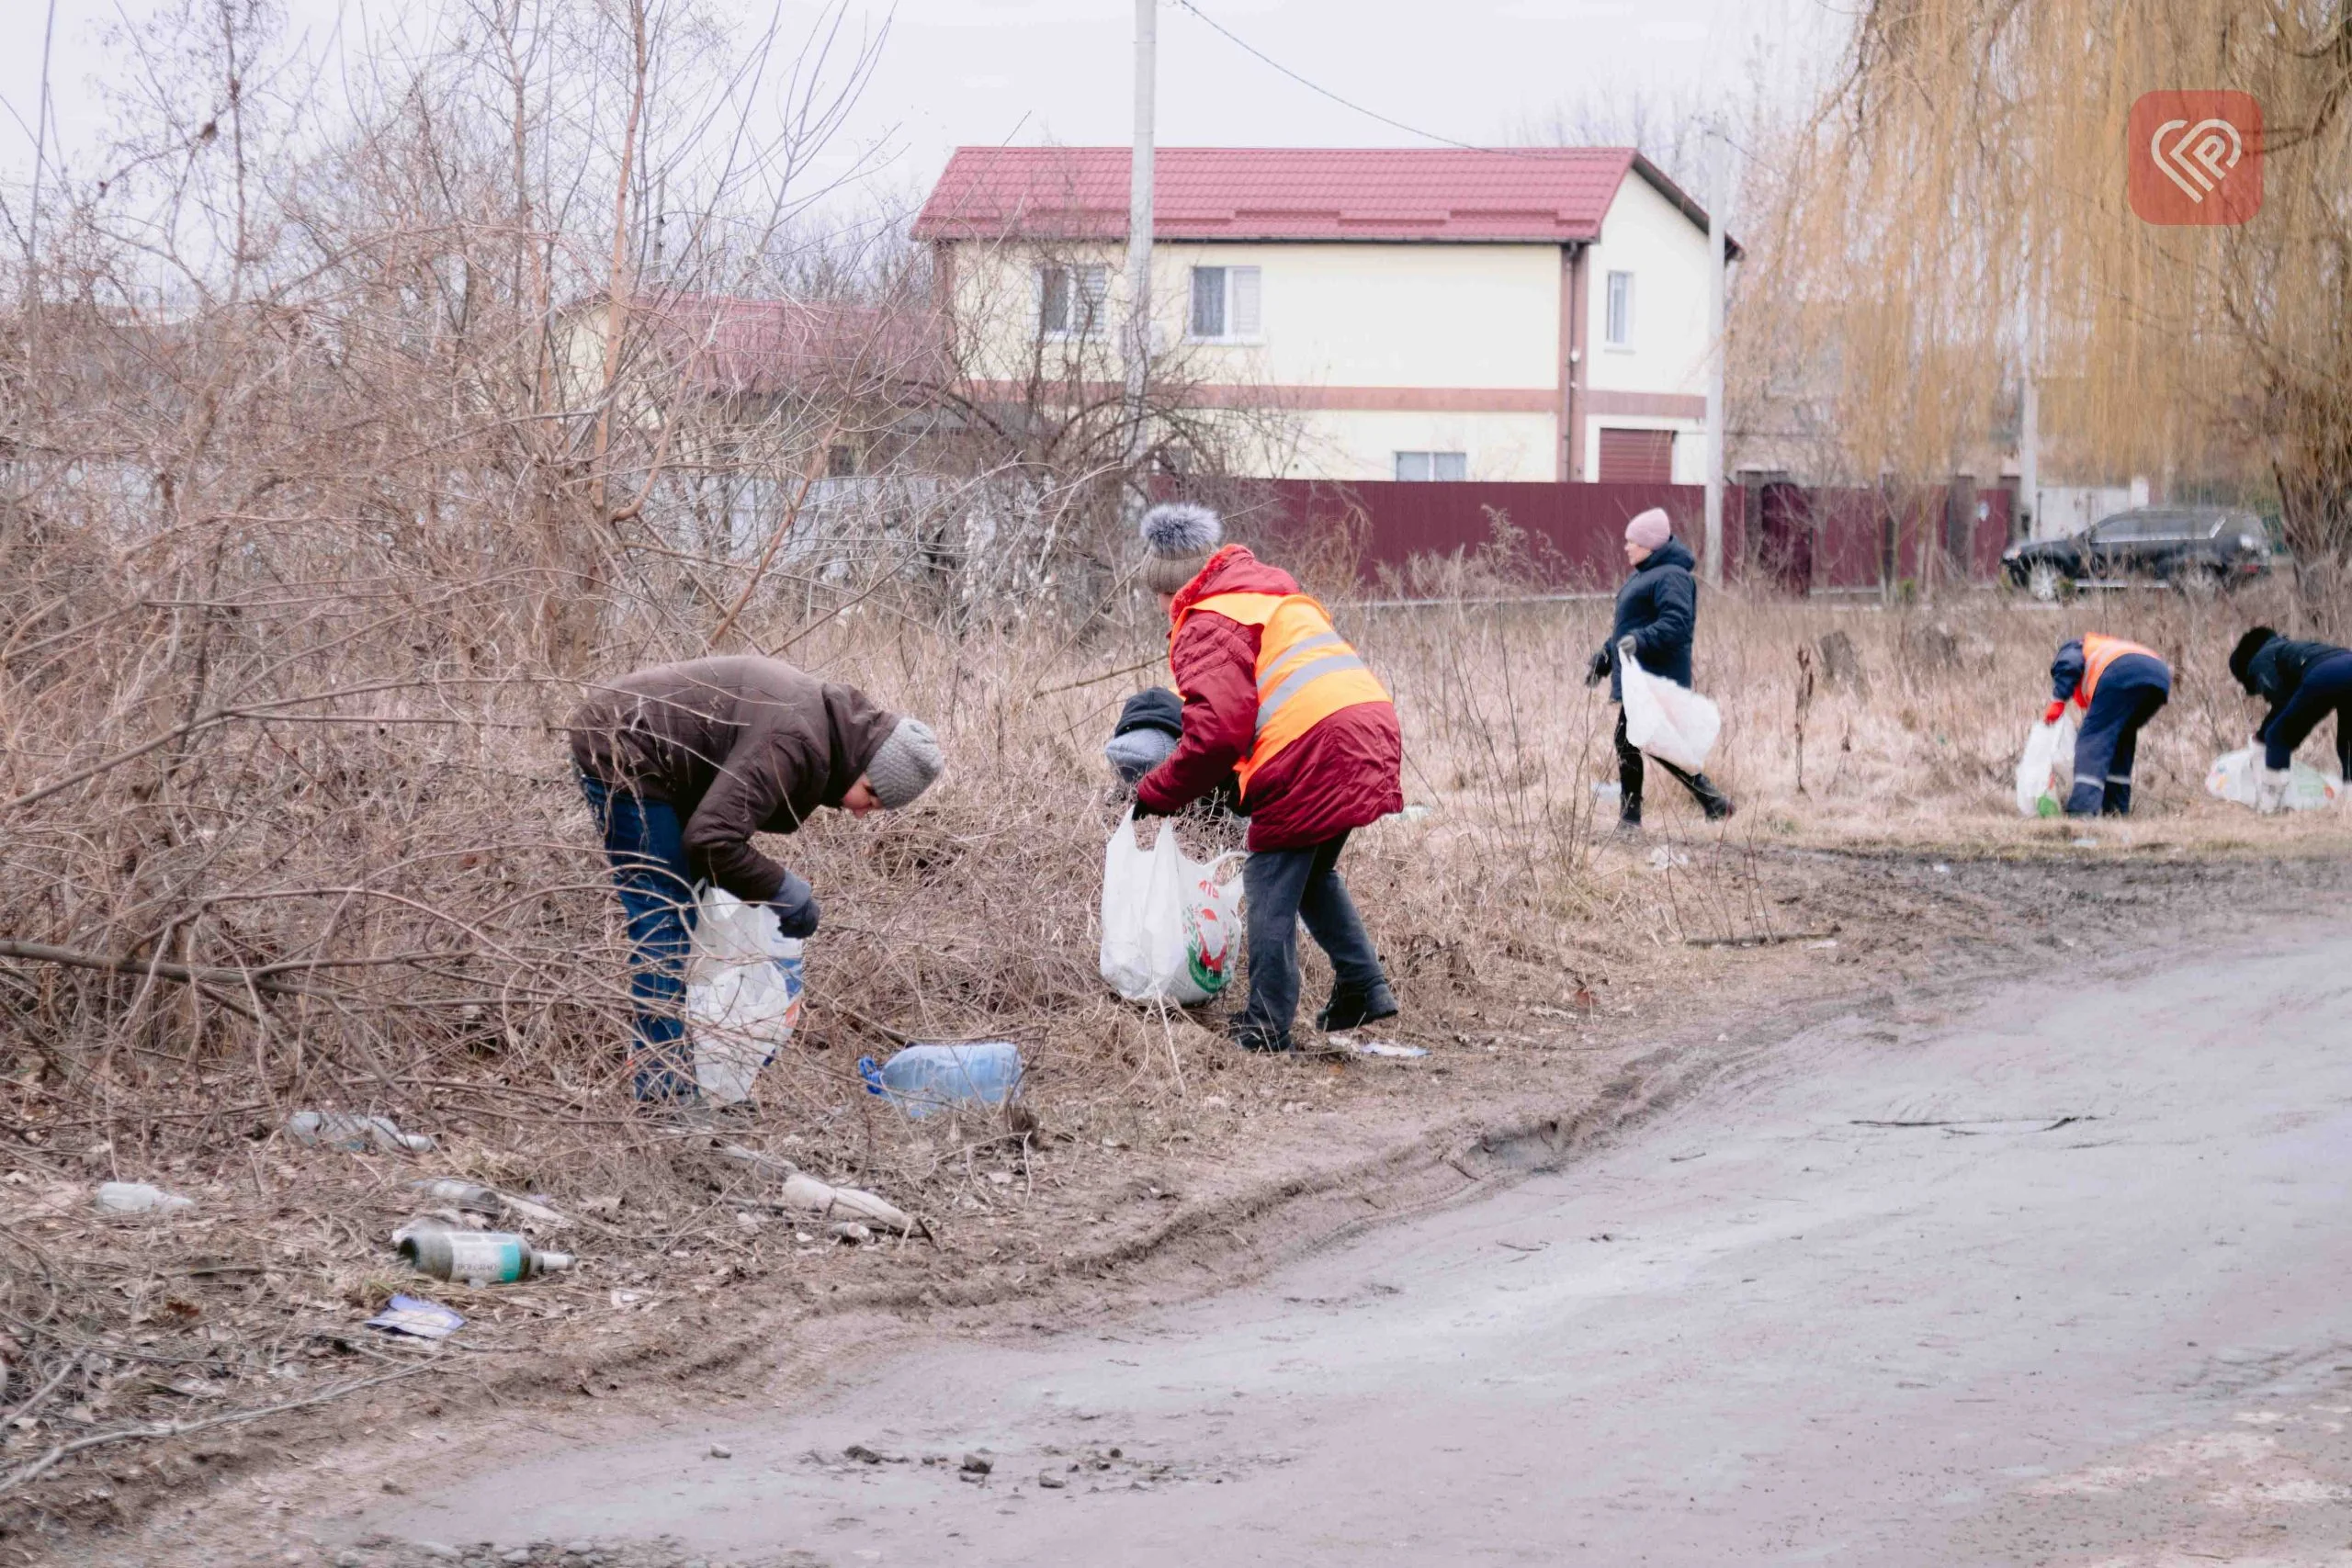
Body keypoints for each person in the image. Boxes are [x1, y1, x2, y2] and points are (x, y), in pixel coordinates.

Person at [568, 656, 944, 1103]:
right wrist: (782, 890)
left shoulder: (818, 731)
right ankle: (662, 1092)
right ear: (864, 765)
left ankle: (696, 1077)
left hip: (664, 763)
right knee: (666, 915)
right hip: (622, 743)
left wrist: (767, 890)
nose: (863, 813)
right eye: (871, 797)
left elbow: (713, 832)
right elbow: (711, 841)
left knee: (690, 908)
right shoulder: (795, 740)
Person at [1130, 502, 1404, 1054]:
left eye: (1157, 595)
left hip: (1314, 744)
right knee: (1312, 874)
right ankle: (1363, 986)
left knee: (1269, 881)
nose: (1160, 608)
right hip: (1368, 725)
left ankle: (1265, 1025)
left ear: (1171, 587)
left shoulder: (1206, 620)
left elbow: (1217, 736)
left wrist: (1155, 792)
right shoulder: (1261, 592)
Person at [1584, 508, 1733, 831]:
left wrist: (1639, 640)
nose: (1626, 547)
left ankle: (1631, 820)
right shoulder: (1642, 576)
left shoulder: (1672, 577)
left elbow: (1676, 624)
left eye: (1632, 541)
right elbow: (1627, 629)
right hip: (1640, 676)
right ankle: (1714, 803)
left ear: (1650, 544)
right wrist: (1605, 658)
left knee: (1633, 741)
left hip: (1655, 677)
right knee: (1651, 742)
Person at [2044, 634, 2171, 816]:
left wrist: (2058, 700)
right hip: (2159, 676)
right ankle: (2115, 809)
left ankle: (2082, 810)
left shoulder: (2076, 647)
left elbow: (2069, 663)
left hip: (2122, 672)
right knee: (2121, 739)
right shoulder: (2105, 646)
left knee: (2092, 740)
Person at [2230, 627, 2352, 812]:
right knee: (2348, 740)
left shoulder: (2259, 660)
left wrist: (2261, 737)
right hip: (2346, 660)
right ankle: (2349, 802)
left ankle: (2270, 805)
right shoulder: (2285, 647)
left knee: (2277, 737)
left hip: (2325, 674)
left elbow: (2282, 703)